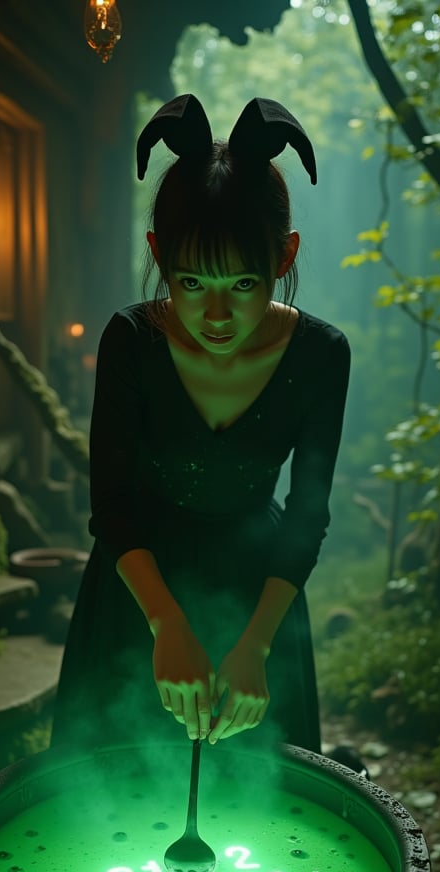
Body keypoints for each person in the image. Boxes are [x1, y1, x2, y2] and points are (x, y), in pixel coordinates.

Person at [51, 94, 352, 762]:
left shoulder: (322, 355)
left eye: (242, 284)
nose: (216, 314)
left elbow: (307, 514)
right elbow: (114, 507)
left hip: (259, 586)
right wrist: (165, 625)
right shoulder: (132, 341)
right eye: (190, 282)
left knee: (265, 794)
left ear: (283, 255)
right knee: (108, 787)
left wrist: (256, 644)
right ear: (158, 254)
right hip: (139, 580)